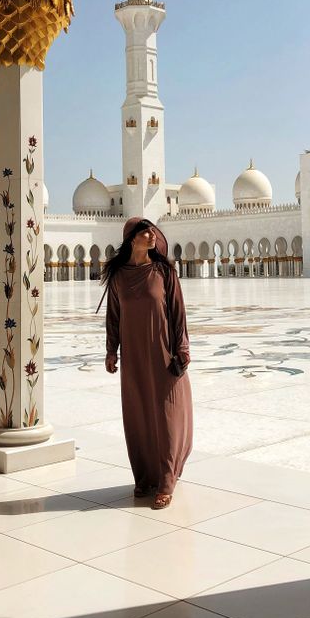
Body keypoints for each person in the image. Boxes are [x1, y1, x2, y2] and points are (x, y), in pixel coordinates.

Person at [103, 217, 193, 509]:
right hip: (134, 356)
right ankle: (144, 477)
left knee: (166, 414)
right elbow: (113, 317)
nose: (151, 235)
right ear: (132, 239)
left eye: (153, 231)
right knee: (139, 413)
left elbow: (178, 313)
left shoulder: (164, 271)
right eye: (145, 232)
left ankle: (166, 481)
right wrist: (111, 351)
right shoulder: (118, 276)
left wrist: (182, 349)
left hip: (163, 352)